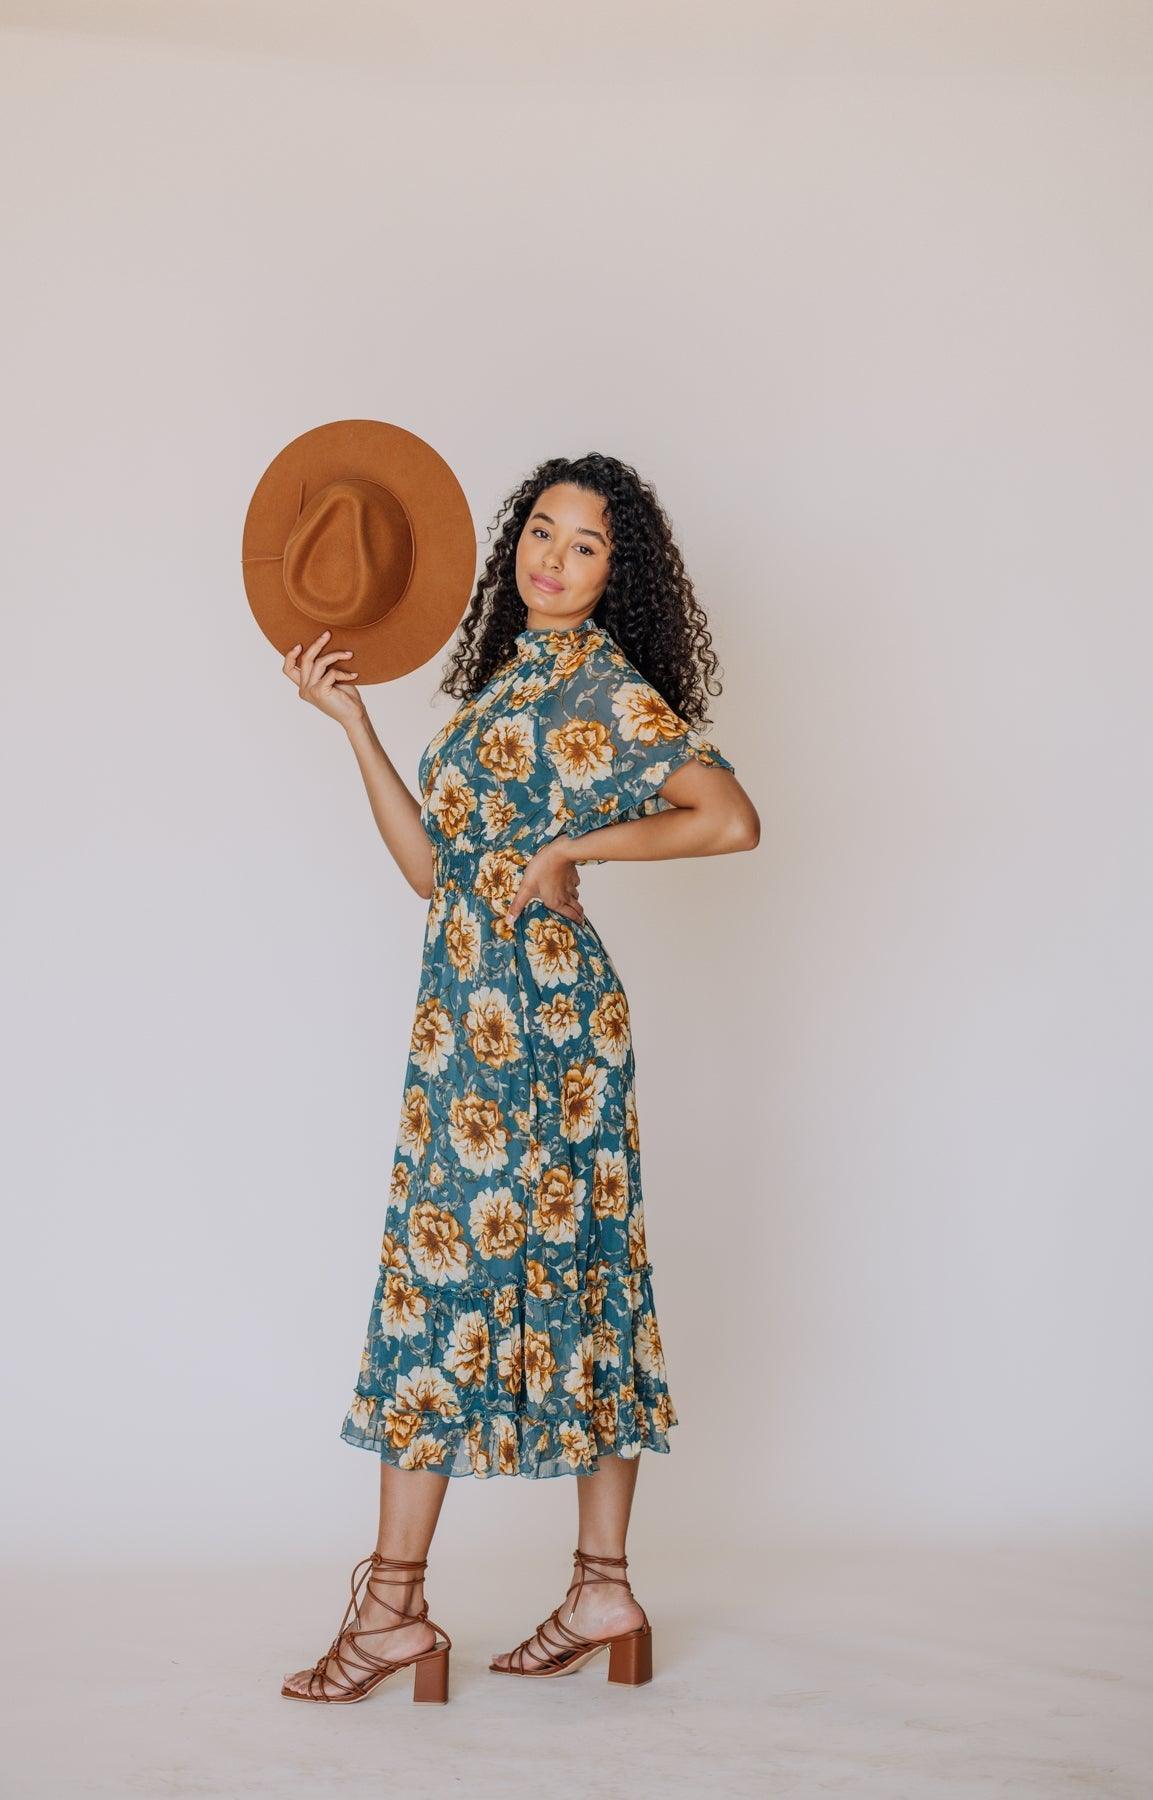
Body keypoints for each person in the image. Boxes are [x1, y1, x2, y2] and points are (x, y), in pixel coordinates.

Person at [278, 452, 760, 1704]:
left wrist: (575, 846)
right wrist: (355, 728)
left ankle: (400, 1608)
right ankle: (582, 1590)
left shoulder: (602, 686)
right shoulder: (503, 683)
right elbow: (433, 874)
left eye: (584, 544)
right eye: (541, 531)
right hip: (463, 1025)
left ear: (616, 573)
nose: (553, 558)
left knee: (506, 1282)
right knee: (444, 1285)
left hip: (545, 1030)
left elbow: (728, 817)